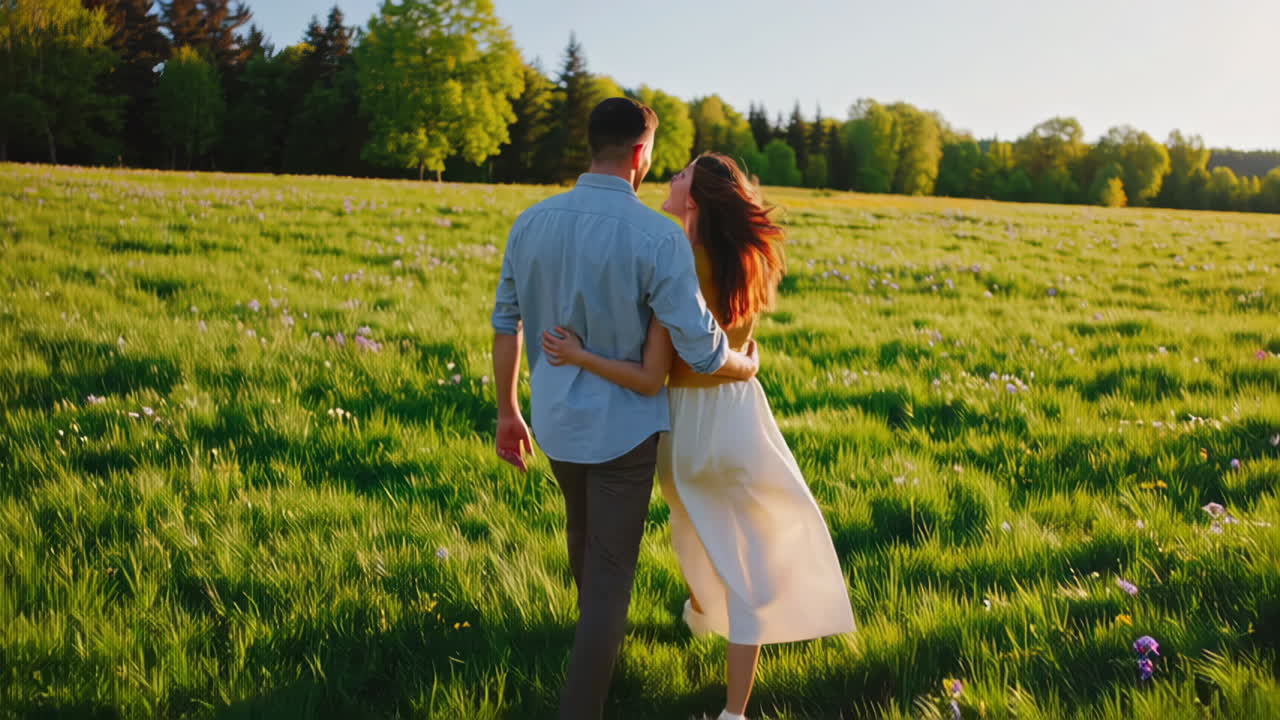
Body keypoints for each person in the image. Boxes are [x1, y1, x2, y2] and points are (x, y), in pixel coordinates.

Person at [542, 153, 856, 720]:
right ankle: (724, 673)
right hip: (740, 415)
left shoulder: (679, 259)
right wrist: (747, 364)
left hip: (685, 424)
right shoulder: (748, 258)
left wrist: (581, 354)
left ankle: (722, 663)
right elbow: (735, 350)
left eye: (682, 174)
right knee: (740, 548)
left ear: (697, 198)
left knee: (710, 541)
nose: (671, 177)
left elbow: (654, 372)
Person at [490, 98, 760, 720]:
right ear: (641, 152)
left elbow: (508, 323)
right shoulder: (657, 236)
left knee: (583, 542)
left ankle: (597, 654)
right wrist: (746, 364)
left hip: (554, 423)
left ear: (593, 143)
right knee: (609, 575)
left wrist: (507, 411)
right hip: (625, 432)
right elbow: (701, 348)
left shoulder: (529, 222)